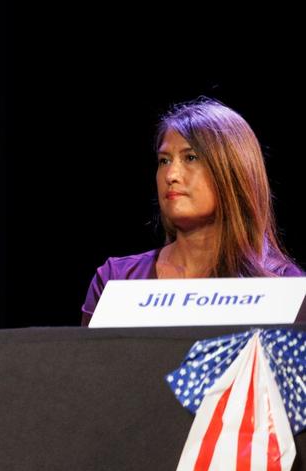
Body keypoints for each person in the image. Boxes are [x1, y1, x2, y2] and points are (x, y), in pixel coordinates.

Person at [81, 98, 301, 325]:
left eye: (191, 158)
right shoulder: (116, 280)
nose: (171, 175)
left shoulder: (283, 288)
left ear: (232, 171)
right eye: (164, 161)